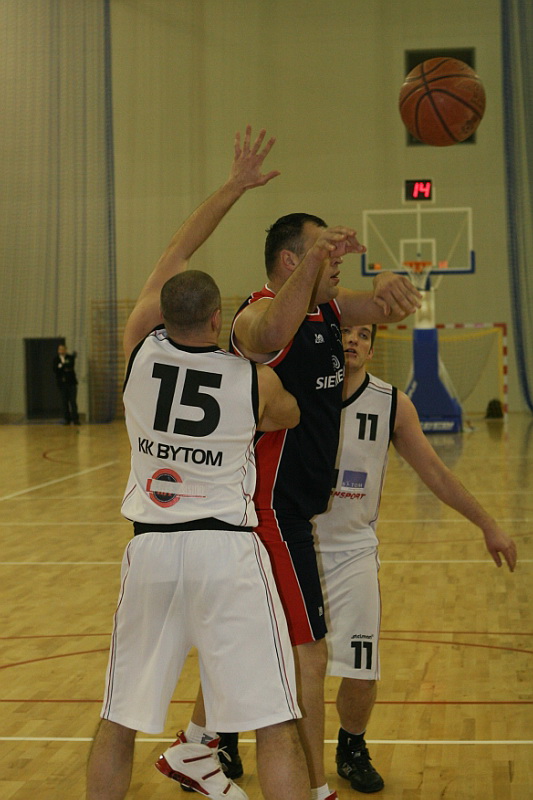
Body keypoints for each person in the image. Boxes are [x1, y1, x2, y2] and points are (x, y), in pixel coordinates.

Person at [85, 128, 312, 800]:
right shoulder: (251, 382)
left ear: (162, 313)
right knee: (274, 722)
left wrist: (233, 185)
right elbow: (290, 414)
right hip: (226, 553)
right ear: (218, 319)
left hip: (151, 550)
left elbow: (177, 251)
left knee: (117, 721)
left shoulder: (138, 351)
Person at [313, 323, 518, 794]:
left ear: (372, 348)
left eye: (364, 335)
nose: (353, 340)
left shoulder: (391, 404)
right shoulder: (300, 389)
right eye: (346, 332)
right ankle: (224, 735)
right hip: (293, 545)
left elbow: (436, 473)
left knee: (361, 666)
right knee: (270, 658)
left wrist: (487, 523)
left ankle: (351, 747)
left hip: (353, 552)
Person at [53, 343, 80, 424]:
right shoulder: (56, 359)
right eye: (59, 349)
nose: (61, 350)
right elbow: (55, 370)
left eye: (62, 349)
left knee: (73, 401)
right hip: (62, 384)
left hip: (71, 383)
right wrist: (63, 367)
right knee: (64, 402)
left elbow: (70, 366)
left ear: (65, 350)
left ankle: (75, 419)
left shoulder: (70, 357)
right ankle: (67, 419)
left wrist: (61, 366)